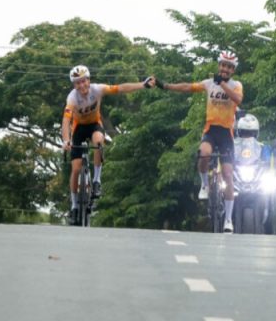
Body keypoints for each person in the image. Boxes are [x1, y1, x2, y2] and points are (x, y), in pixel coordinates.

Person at [157, 50, 244, 233]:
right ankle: (204, 184)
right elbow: (188, 87)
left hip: (226, 134)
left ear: (233, 70)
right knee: (203, 153)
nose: (225, 69)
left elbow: (238, 100)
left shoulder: (236, 85)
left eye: (229, 67)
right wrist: (166, 86)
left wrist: (223, 85)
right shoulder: (209, 83)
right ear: (219, 66)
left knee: (228, 175)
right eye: (223, 65)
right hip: (211, 131)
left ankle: (228, 220)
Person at [61, 65, 152, 224]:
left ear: (88, 80)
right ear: (74, 85)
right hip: (78, 129)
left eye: (83, 81)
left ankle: (96, 180)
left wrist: (142, 84)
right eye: (77, 83)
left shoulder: (98, 89)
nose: (81, 85)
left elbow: (121, 88)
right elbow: (66, 120)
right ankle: (74, 206)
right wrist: (66, 140)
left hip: (94, 125)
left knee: (98, 141)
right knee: (75, 169)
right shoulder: (72, 98)